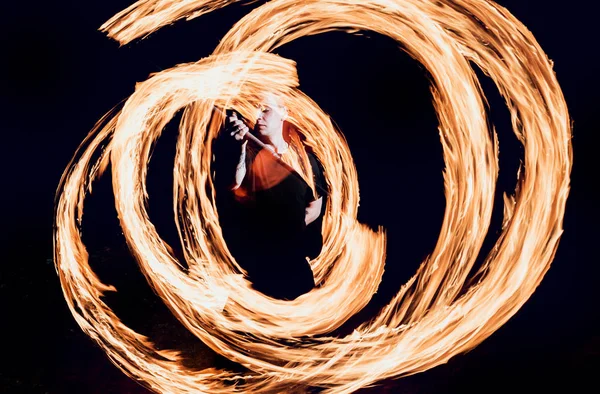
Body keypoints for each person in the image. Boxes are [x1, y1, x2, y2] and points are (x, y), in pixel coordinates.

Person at [212, 94, 327, 300]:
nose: (258, 115)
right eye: (256, 109)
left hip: (294, 269)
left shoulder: (305, 160)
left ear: (283, 113)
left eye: (266, 110)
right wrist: (239, 148)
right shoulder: (247, 154)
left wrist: (289, 231)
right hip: (255, 269)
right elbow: (234, 182)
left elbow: (315, 206)